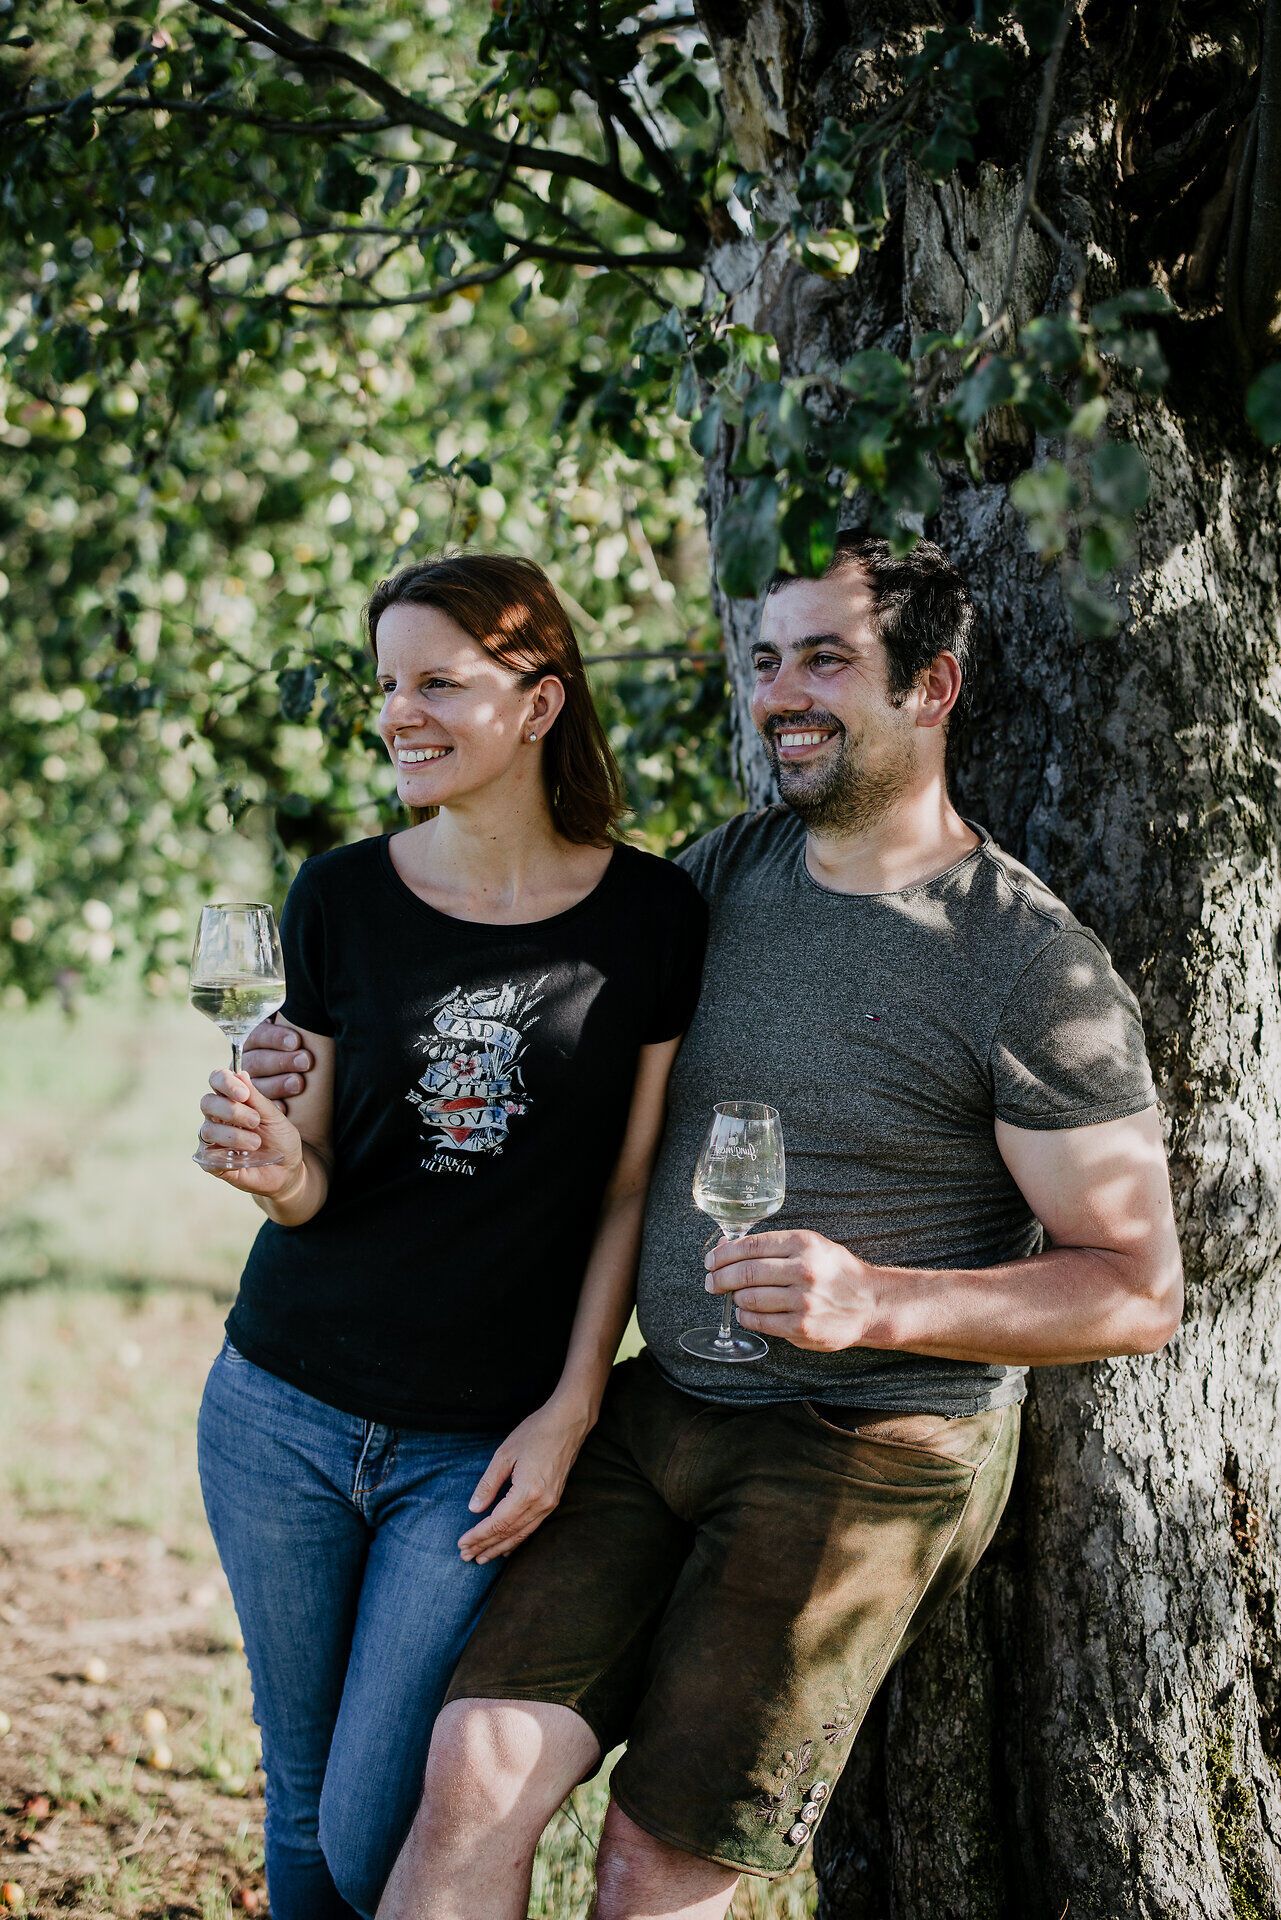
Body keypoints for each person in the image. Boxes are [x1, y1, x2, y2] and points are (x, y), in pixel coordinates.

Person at [247, 535, 1184, 1920]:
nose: (778, 693)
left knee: (648, 1872)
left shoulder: (1021, 961)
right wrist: (314, 1045)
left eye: (824, 659)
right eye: (762, 659)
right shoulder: (719, 877)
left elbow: (1135, 1290)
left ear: (929, 687)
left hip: (862, 1446)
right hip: (664, 1403)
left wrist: (875, 1300)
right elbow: (528, 993)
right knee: (469, 1770)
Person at [191, 552, 706, 1920]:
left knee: (376, 1835)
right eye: (384, 686)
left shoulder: (651, 917)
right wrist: (266, 1164)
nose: (396, 715)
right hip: (279, 1409)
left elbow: (628, 1181)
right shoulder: (339, 898)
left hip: (468, 1455)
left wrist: (574, 1399)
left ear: (537, 706)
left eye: (436, 683)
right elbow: (315, 1186)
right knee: (300, 1798)